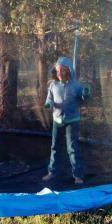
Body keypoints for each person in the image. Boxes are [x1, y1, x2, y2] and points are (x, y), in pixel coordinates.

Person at [42, 57, 90, 185]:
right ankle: (52, 172)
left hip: (72, 121)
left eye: (62, 71)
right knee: (55, 147)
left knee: (73, 148)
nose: (59, 73)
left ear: (69, 71)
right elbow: (49, 98)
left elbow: (83, 98)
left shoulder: (76, 85)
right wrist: (48, 104)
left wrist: (86, 93)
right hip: (57, 120)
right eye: (57, 71)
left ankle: (78, 175)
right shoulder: (53, 85)